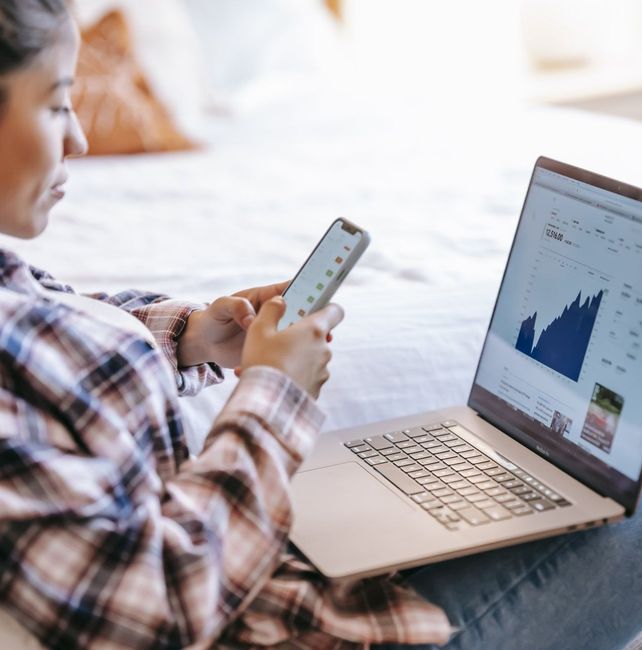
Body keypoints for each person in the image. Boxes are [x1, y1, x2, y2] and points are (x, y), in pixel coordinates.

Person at [0, 2, 640, 649]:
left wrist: (188, 334)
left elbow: (57, 333)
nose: (79, 140)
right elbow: (157, 607)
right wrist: (276, 393)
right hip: (299, 627)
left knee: (550, 487)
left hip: (277, 569)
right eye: (56, 105)